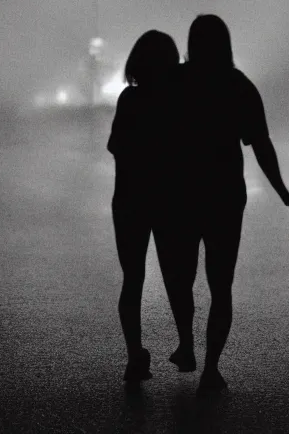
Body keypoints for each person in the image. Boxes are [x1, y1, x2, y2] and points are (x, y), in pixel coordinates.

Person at [155, 14, 289, 393]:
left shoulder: (175, 81)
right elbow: (261, 144)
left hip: (180, 194)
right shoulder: (239, 86)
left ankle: (186, 344)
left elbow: (156, 138)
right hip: (225, 196)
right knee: (220, 284)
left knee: (180, 277)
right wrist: (284, 194)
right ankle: (211, 368)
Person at [106, 30, 182, 382]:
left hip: (129, 200)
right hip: (168, 198)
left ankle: (135, 354)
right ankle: (186, 344)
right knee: (175, 276)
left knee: (132, 278)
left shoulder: (130, 100)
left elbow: (116, 147)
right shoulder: (178, 100)